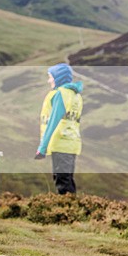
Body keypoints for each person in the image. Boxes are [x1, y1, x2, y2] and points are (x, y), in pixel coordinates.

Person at [35, 63, 84, 195]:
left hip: (60, 143)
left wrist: (42, 147)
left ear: (58, 78)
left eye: (51, 77)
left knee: (63, 183)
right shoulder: (75, 95)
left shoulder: (60, 94)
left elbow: (53, 122)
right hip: (71, 143)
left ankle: (66, 212)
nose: (49, 80)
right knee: (66, 179)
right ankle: (70, 210)